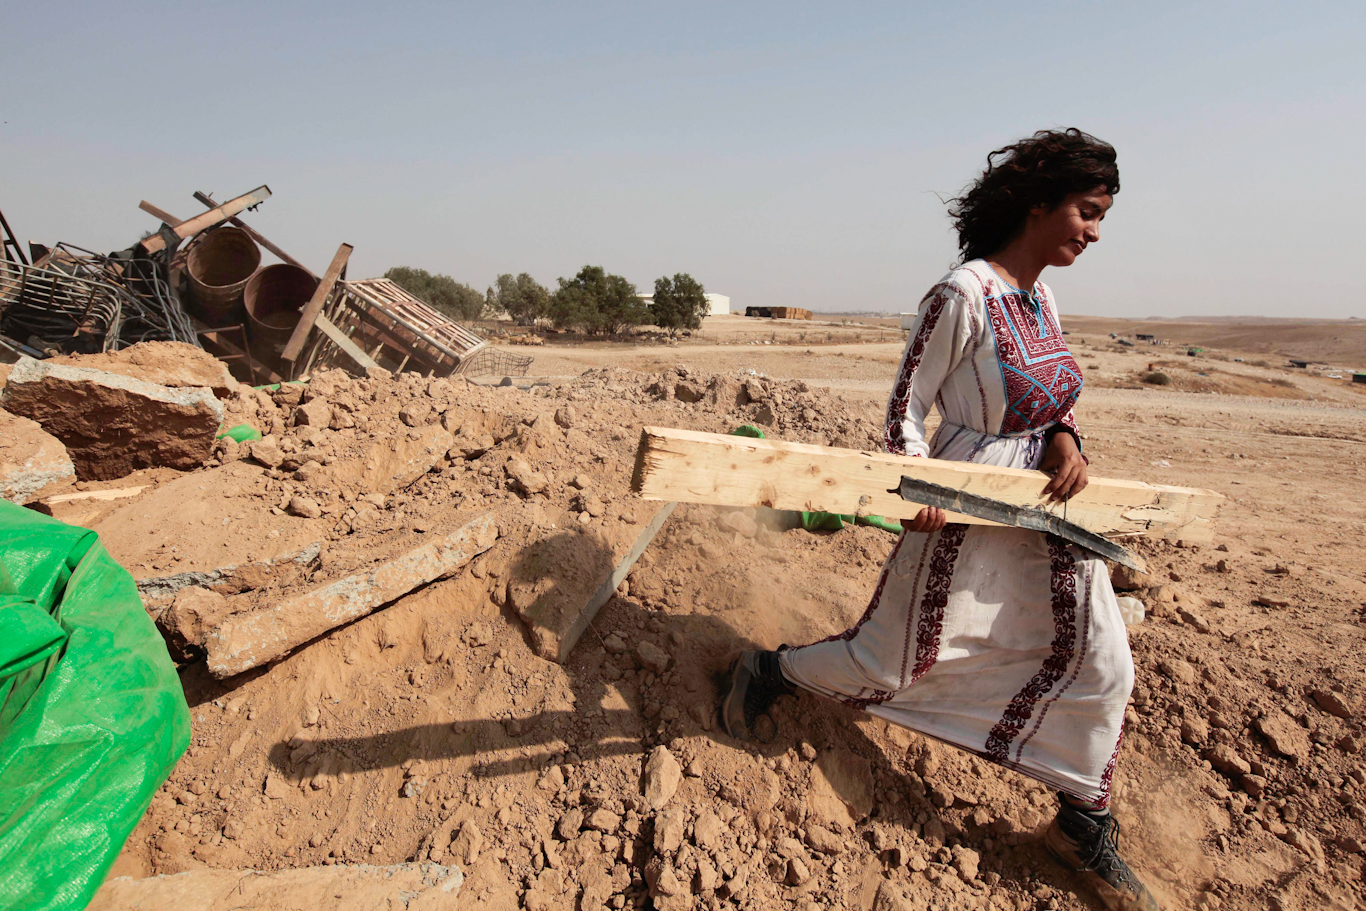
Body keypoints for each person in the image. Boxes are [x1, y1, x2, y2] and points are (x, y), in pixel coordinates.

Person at [720, 129, 1158, 911]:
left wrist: (1066, 439)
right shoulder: (962, 293)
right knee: (893, 661)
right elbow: (906, 404)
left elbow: (1053, 400)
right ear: (1038, 204)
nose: (1094, 232)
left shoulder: (1043, 295)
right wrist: (914, 485)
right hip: (963, 497)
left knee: (1101, 661)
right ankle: (771, 669)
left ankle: (1081, 825)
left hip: (1044, 511)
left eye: (1101, 218)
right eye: (1087, 213)